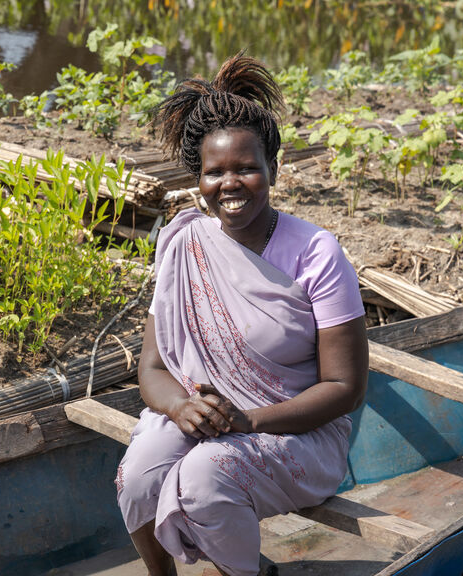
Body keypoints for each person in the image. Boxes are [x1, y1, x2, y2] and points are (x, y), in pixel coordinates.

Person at [115, 53, 369, 576]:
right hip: (210, 418)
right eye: (215, 172)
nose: (230, 184)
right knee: (140, 470)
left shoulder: (316, 253)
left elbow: (345, 388)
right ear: (199, 178)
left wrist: (247, 420)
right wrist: (181, 409)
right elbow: (154, 368)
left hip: (299, 433)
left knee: (206, 476)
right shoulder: (185, 244)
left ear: (273, 168)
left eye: (247, 168)